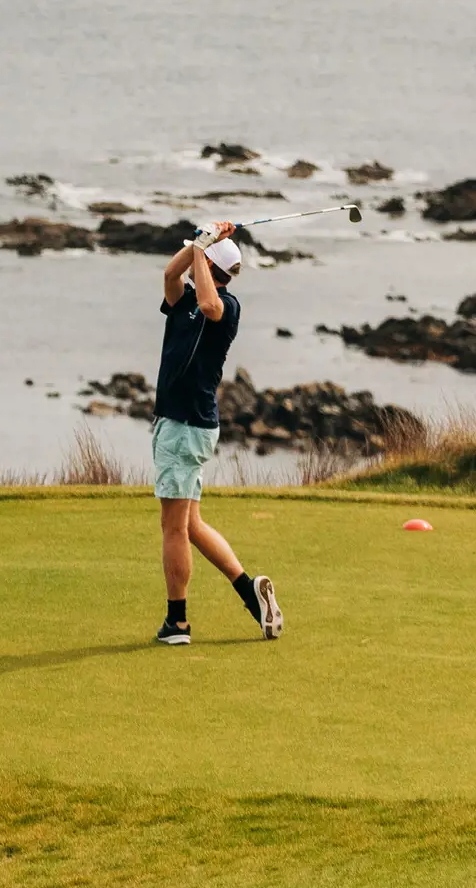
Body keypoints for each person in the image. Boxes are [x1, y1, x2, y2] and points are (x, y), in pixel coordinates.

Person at [152, 221, 281, 645]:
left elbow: (211, 304)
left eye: (199, 258)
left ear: (210, 267)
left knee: (172, 528)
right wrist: (199, 246)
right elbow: (170, 276)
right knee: (190, 524)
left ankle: (178, 623)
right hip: (181, 424)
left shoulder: (225, 307)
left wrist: (205, 250)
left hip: (185, 425)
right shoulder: (183, 298)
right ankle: (249, 591)